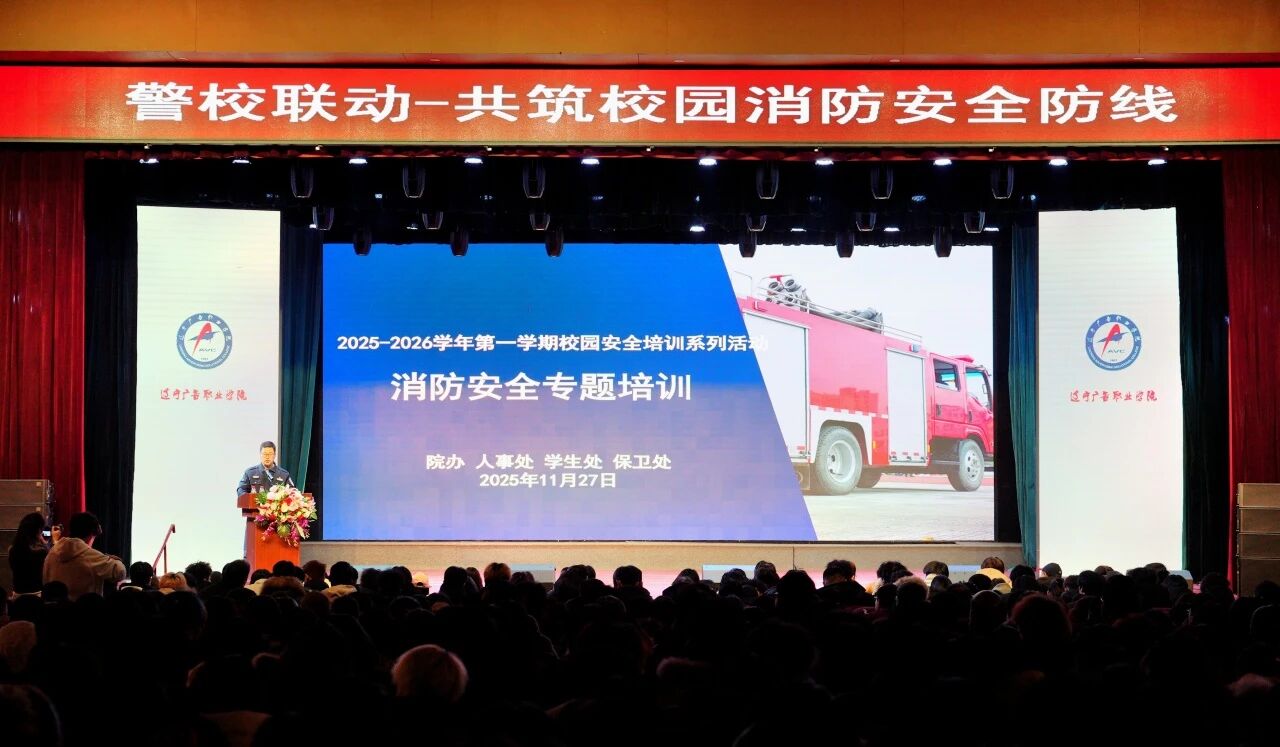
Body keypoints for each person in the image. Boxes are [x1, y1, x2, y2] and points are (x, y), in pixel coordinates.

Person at [41, 512, 125, 599]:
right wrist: (115, 560)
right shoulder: (90, 556)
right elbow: (121, 572)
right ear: (92, 534)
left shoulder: (52, 553)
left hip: (55, 606)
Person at [7, 512, 55, 595]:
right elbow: (50, 570)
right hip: (37, 595)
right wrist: (52, 542)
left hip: (18, 595)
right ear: (38, 531)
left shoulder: (12, 550)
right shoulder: (41, 552)